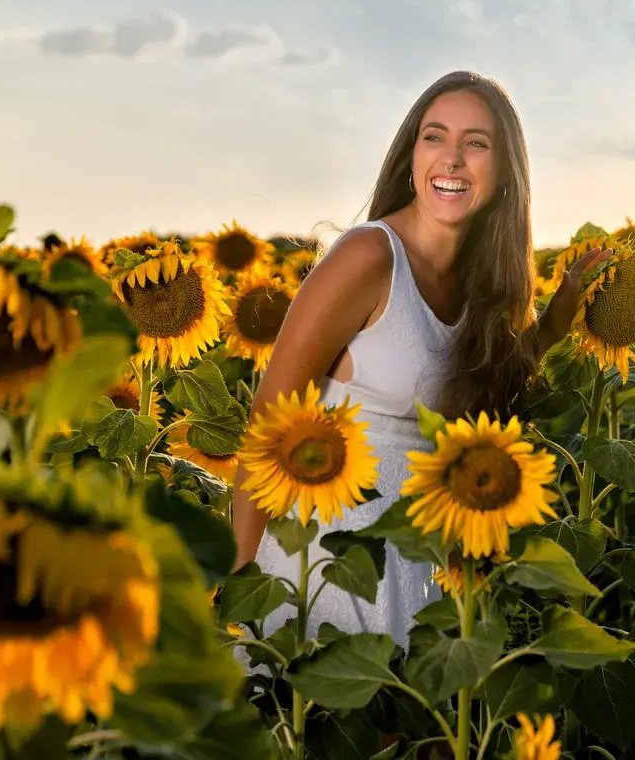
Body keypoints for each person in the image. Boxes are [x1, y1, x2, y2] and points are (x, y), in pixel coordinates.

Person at [230, 69, 611, 649]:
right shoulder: (368, 256)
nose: (452, 159)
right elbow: (266, 429)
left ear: (506, 172)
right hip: (325, 566)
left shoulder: (484, 286)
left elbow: (480, 380)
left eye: (476, 143)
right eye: (435, 137)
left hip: (421, 569)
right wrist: (239, 602)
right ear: (411, 155)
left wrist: (555, 322)